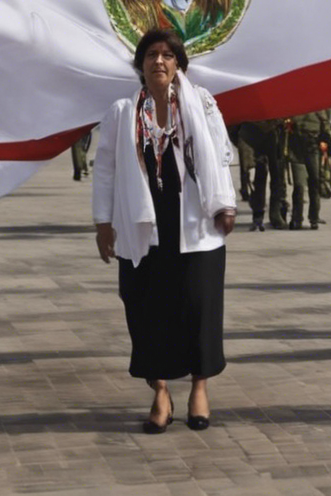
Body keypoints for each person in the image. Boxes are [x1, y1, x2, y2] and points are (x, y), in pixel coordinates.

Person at [92, 29, 237, 433]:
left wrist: (226, 204)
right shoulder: (123, 112)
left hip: (196, 226)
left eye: (168, 55)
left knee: (199, 307)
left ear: (179, 65)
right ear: (140, 65)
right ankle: (159, 392)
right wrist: (103, 222)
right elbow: (105, 169)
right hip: (143, 227)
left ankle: (199, 388)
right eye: (152, 55)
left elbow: (221, 153)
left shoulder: (202, 103)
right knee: (145, 310)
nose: (160, 61)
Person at [288, 110, 331, 229]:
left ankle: (314, 217)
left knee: (314, 181)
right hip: (296, 147)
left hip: (313, 146)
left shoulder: (319, 106)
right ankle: (296, 218)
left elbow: (325, 125)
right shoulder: (293, 103)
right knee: (299, 185)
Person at [238, 119, 287, 230]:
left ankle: (275, 215)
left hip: (274, 134)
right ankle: (258, 217)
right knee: (259, 178)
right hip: (255, 134)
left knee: (277, 178)